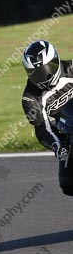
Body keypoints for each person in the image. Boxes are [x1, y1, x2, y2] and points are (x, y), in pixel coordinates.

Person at [22, 39, 73, 195]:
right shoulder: (31, 98)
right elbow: (42, 128)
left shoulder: (71, 68)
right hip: (67, 135)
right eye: (36, 73)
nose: (45, 75)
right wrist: (57, 145)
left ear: (56, 60)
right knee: (67, 183)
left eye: (49, 67)